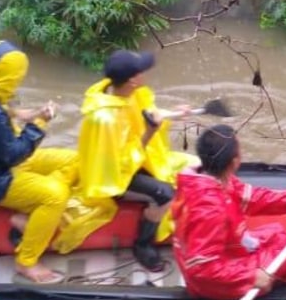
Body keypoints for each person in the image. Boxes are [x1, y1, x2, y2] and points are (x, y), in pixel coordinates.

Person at [0, 40, 78, 284]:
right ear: (8, 76)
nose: (19, 80)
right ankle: (27, 261)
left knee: (72, 160)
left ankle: (33, 212)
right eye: (18, 76)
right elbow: (14, 154)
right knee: (56, 195)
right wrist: (40, 123)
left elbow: (0, 108)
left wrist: (29, 115)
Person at [52, 49, 190, 271]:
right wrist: (149, 133)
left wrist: (174, 114)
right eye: (141, 72)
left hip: (132, 162)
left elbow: (146, 114)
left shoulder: (122, 93)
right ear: (133, 80)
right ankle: (143, 244)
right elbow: (121, 166)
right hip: (112, 178)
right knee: (165, 195)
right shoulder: (105, 119)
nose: (144, 76)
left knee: (191, 163)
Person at [171, 125, 286, 300]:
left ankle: (275, 283)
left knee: (277, 233)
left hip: (230, 250)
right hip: (213, 283)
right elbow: (202, 268)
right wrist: (250, 276)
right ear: (234, 162)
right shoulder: (209, 209)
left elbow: (255, 199)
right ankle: (285, 299)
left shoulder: (214, 180)